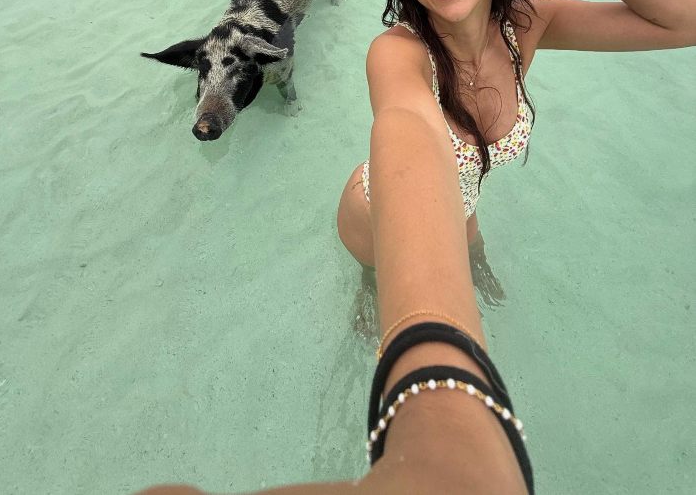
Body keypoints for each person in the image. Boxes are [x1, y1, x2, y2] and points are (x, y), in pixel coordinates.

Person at [133, 48, 534, 493]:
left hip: (463, 204)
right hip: (376, 210)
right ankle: (366, 291)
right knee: (375, 277)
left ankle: (467, 260)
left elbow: (468, 184)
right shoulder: (402, 57)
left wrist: (472, 248)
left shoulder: (517, 36)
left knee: (467, 239)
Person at [337, 0, 696, 268]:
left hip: (464, 209)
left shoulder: (526, 26)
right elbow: (404, 132)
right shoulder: (398, 53)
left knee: (479, 272)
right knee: (373, 301)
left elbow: (686, 21)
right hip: (380, 224)